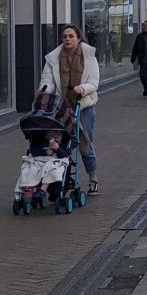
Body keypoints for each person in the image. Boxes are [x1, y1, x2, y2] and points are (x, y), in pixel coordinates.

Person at [38, 24, 101, 194]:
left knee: (84, 144)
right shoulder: (54, 58)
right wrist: (44, 89)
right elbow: (48, 80)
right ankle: (60, 178)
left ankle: (93, 178)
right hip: (61, 107)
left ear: (78, 38)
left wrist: (83, 88)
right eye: (65, 36)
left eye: (71, 36)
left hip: (84, 106)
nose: (67, 39)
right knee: (61, 144)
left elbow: (94, 81)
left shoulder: (88, 56)